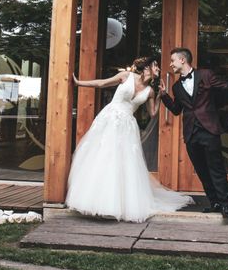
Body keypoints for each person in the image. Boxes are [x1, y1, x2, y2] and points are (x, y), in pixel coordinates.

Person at [67, 56, 193, 222]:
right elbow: (102, 83)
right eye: (156, 66)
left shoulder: (150, 91)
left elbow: (153, 113)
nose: (158, 69)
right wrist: (79, 83)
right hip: (110, 119)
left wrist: (160, 95)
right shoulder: (126, 76)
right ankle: (96, 200)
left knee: (123, 162)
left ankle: (117, 204)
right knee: (104, 156)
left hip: (127, 126)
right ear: (147, 67)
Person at [160, 47, 228, 219]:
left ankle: (225, 205)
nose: (171, 64)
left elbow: (226, 88)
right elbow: (176, 110)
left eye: (173, 60)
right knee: (202, 170)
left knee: (216, 168)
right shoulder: (176, 87)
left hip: (209, 130)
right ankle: (214, 203)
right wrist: (164, 95)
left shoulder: (205, 75)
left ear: (183, 60)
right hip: (191, 134)